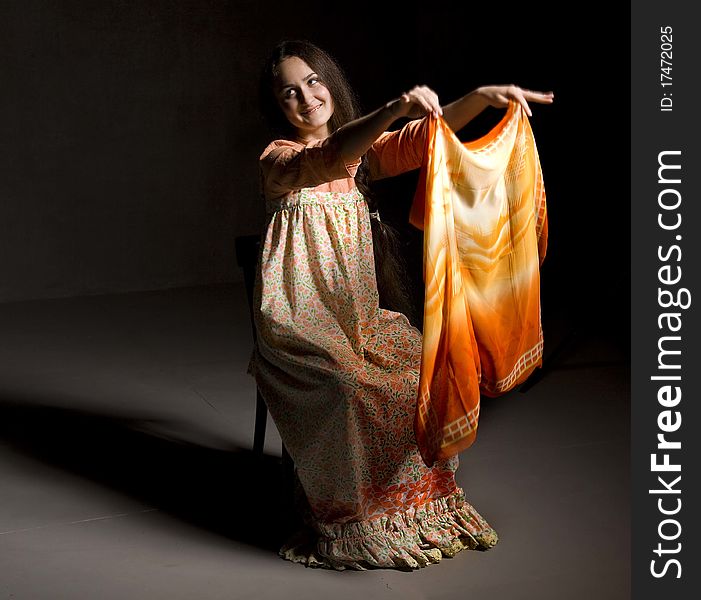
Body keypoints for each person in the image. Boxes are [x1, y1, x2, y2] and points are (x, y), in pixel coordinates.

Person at [250, 39, 554, 571]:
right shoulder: (280, 161)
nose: (306, 97)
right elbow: (332, 154)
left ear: (330, 82)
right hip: (299, 323)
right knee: (347, 387)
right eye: (289, 93)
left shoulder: (363, 153)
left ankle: (417, 508)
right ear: (278, 108)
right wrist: (392, 107)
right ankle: (351, 520)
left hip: (358, 320)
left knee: (424, 366)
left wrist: (480, 98)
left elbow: (422, 137)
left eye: (313, 81)